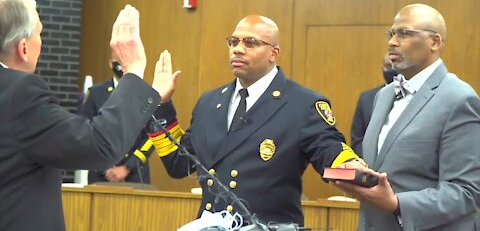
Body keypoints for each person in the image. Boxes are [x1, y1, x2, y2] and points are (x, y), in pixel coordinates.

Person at [147, 15, 365, 226]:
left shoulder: (301, 103)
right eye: (233, 42)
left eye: (250, 43)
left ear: (273, 53)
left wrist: (351, 167)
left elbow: (328, 149)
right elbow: (179, 165)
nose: (237, 49)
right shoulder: (210, 102)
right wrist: (161, 104)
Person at [0, 0, 162, 231]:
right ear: (24, 47)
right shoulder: (19, 92)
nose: (41, 43)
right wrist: (134, 70)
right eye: (39, 34)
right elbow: (100, 145)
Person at [334, 4, 480, 230]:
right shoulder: (384, 95)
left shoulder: (459, 98)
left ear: (435, 42)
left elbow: (466, 192)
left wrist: (397, 203)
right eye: (391, 33)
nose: (392, 42)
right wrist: (359, 174)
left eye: (404, 33)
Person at [82, 54, 155, 184]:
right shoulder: (95, 93)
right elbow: (85, 131)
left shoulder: (147, 93)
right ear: (111, 63)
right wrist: (105, 167)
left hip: (136, 174)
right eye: (118, 60)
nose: (122, 64)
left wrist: (127, 167)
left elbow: (152, 137)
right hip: (100, 174)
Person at [350, 53, 398, 156]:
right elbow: (357, 138)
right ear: (382, 69)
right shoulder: (366, 98)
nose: (392, 69)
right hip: (368, 165)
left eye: (396, 65)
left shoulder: (414, 95)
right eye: (388, 66)